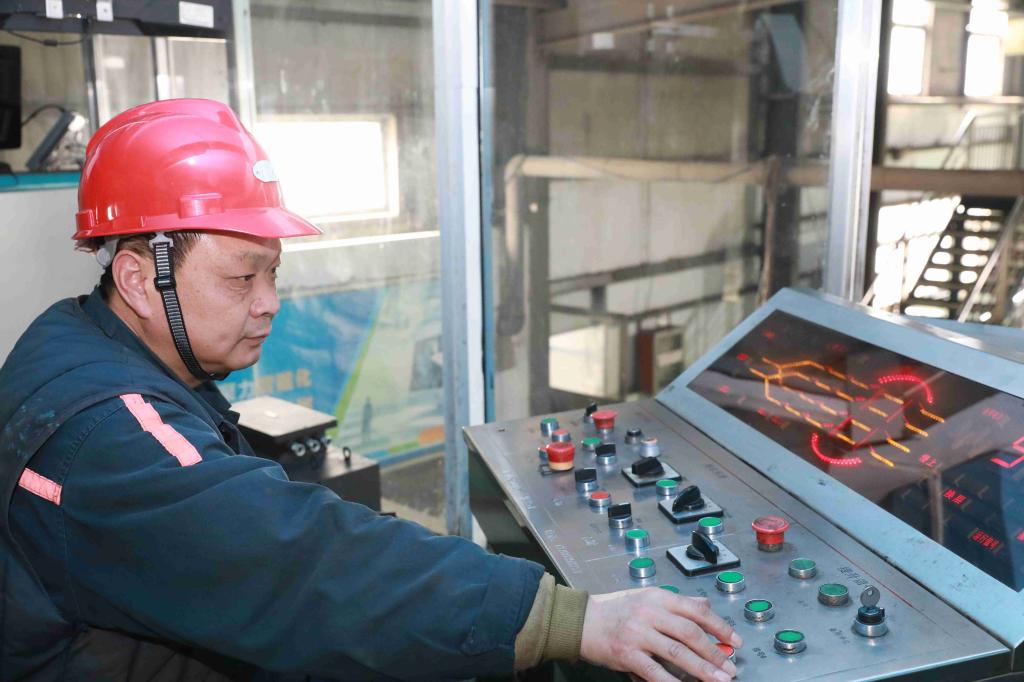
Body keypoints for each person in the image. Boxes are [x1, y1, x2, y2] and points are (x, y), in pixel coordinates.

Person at [0, 99, 741, 682]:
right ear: (138, 278)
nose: (268, 303)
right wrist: (568, 620)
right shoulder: (106, 432)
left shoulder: (80, 337)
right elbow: (297, 559)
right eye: (241, 277)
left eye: (273, 273)